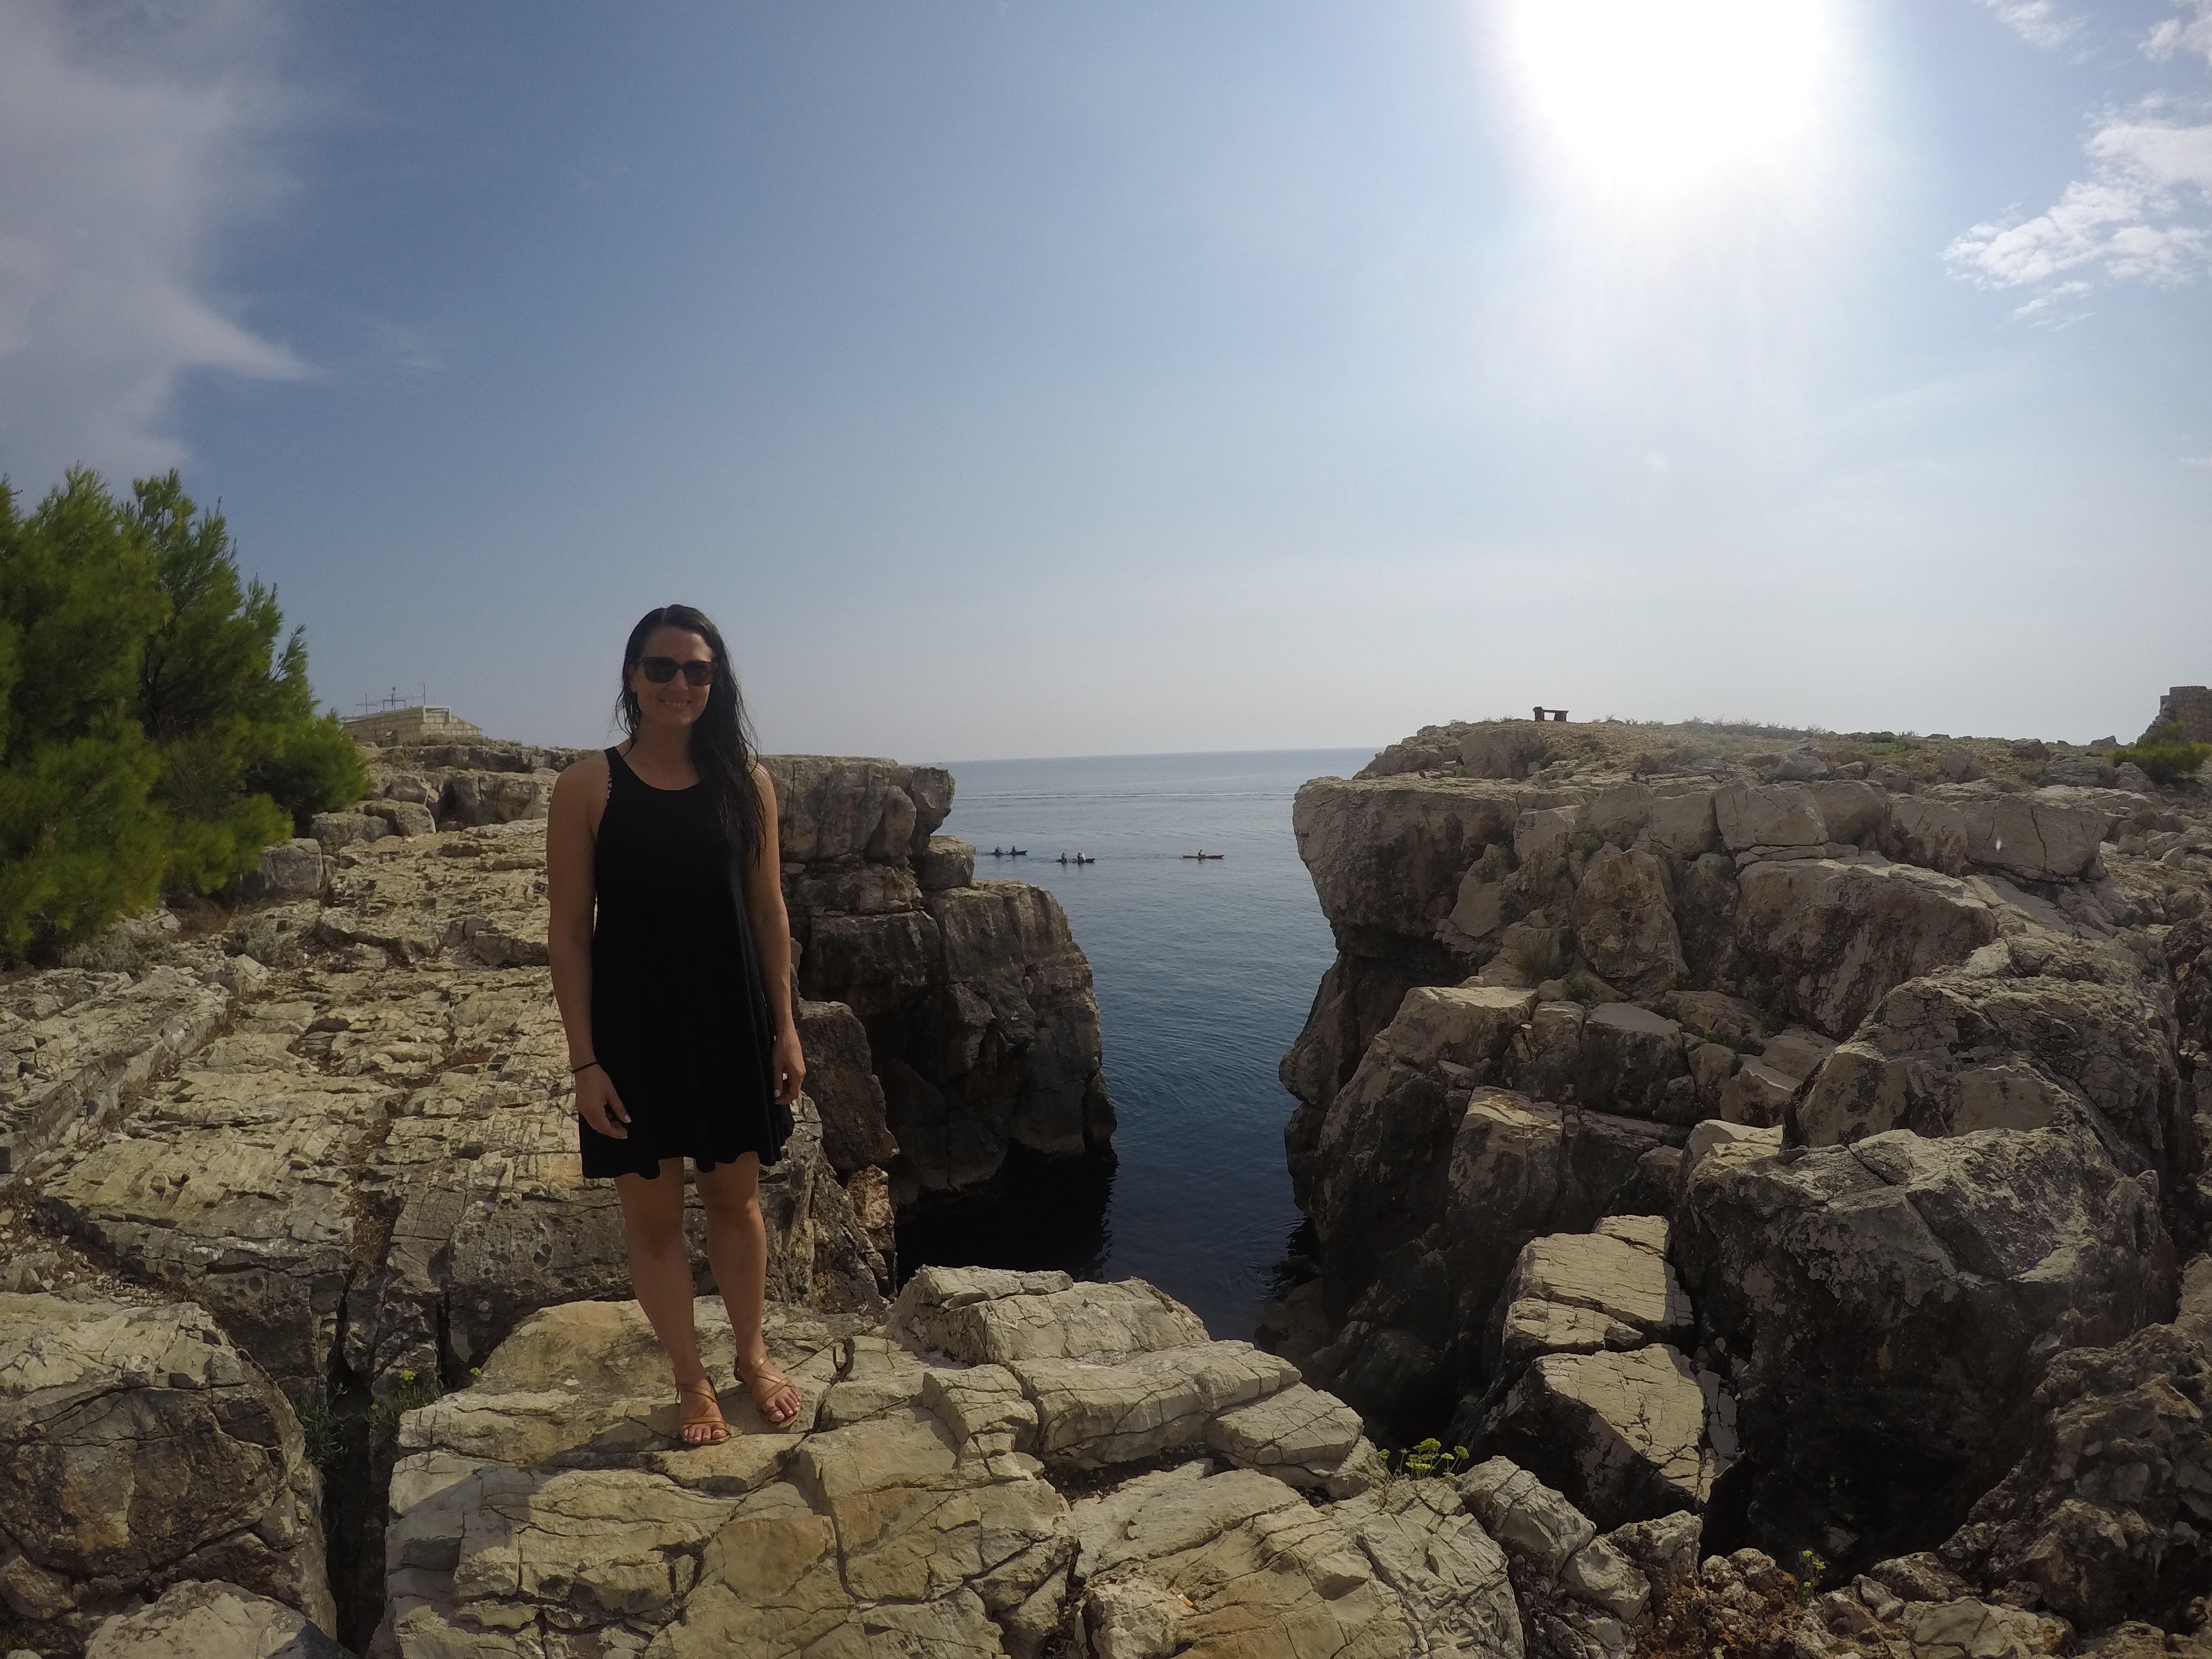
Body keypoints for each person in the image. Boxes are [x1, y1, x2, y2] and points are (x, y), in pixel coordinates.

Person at [545, 603, 806, 1445]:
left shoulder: (747, 782)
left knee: (737, 1204)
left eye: (697, 670)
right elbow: (567, 935)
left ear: (715, 681)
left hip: (729, 1021)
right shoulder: (588, 787)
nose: (679, 684)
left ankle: (752, 1356)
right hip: (635, 1032)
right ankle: (691, 1379)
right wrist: (586, 1064)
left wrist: (786, 1028)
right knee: (653, 1223)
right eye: (661, 668)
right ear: (632, 677)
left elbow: (768, 913)